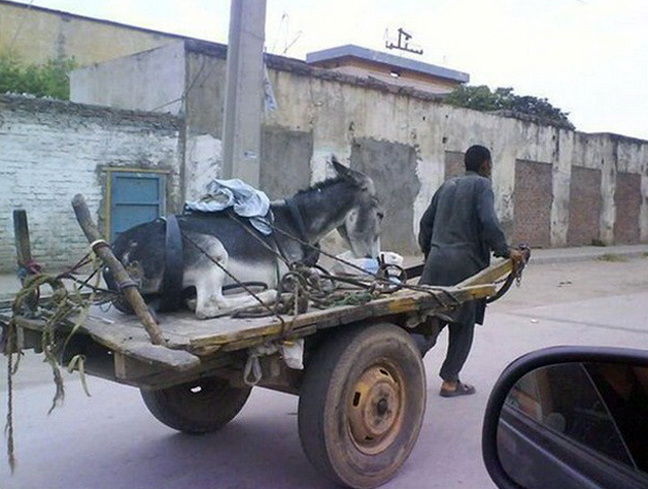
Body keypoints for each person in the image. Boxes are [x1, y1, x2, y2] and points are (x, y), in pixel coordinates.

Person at [416, 144, 524, 398]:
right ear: (485, 164)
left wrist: (430, 254)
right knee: (463, 323)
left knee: (429, 319)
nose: (491, 169)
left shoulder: (447, 186)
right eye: (491, 165)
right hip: (465, 266)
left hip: (436, 263)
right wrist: (506, 251)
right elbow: (488, 221)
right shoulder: (482, 186)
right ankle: (450, 382)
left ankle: (398, 360)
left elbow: (425, 223)